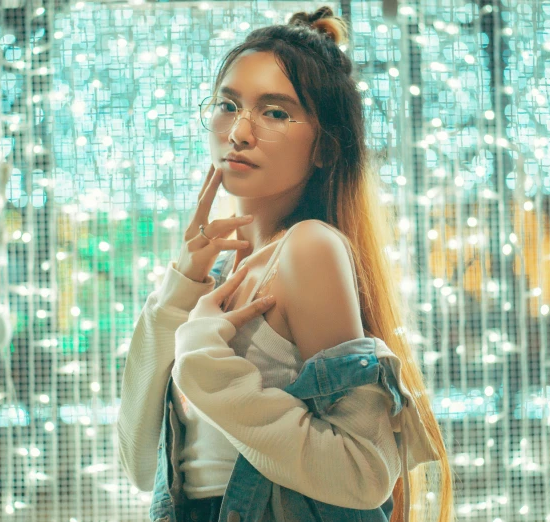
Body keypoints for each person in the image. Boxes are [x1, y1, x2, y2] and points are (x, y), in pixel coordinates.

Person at [117, 6, 454, 522]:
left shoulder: (307, 248)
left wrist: (207, 366)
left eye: (274, 112)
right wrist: (180, 287)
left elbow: (363, 473)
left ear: (324, 147)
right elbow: (139, 464)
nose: (240, 132)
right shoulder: (221, 282)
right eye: (228, 105)